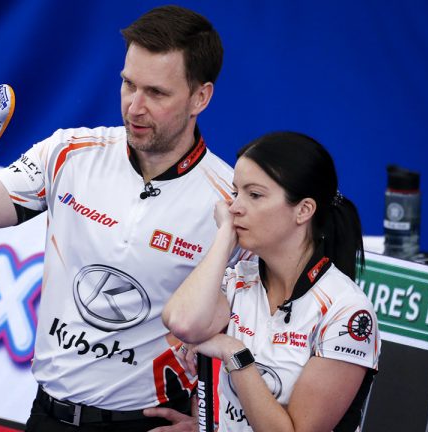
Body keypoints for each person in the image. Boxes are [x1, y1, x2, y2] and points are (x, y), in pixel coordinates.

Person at [0, 5, 241, 431]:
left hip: (147, 423)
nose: (134, 107)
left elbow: (264, 333)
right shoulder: (69, 153)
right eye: (128, 84)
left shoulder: (233, 200)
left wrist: (213, 426)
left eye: (156, 93)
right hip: (49, 416)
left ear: (200, 97)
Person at [159, 132, 381, 431]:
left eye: (254, 195)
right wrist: (225, 238)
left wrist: (234, 353)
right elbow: (182, 323)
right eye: (235, 192)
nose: (234, 207)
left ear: (303, 210)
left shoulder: (346, 311)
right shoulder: (236, 280)